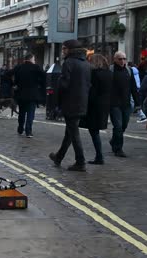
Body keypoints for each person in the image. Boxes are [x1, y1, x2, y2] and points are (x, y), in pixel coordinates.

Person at [49, 40, 91, 172]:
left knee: (74, 133)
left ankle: (80, 161)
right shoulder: (86, 63)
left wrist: (58, 101)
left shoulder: (69, 62)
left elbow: (64, 85)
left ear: (70, 50)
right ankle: (59, 156)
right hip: (82, 102)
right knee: (70, 132)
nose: (62, 51)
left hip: (71, 102)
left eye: (64, 49)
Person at [79, 54, 112, 165]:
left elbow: (92, 92)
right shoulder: (109, 73)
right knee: (95, 131)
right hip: (105, 105)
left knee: (94, 131)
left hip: (94, 106)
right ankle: (99, 156)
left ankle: (99, 156)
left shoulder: (94, 74)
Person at [109, 51, 140, 157]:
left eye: (124, 59)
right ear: (115, 59)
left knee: (124, 125)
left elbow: (133, 88)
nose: (122, 61)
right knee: (118, 126)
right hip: (114, 104)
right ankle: (118, 149)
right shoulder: (110, 71)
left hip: (126, 103)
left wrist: (137, 103)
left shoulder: (129, 70)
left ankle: (114, 140)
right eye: (120, 59)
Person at [13, 54, 46, 138]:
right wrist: (40, 85)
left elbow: (9, 75)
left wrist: (14, 84)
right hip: (32, 94)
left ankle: (20, 128)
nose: (34, 61)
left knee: (22, 113)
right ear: (31, 59)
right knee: (30, 113)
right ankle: (28, 131)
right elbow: (44, 77)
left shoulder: (19, 67)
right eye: (34, 59)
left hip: (21, 94)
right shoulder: (36, 67)